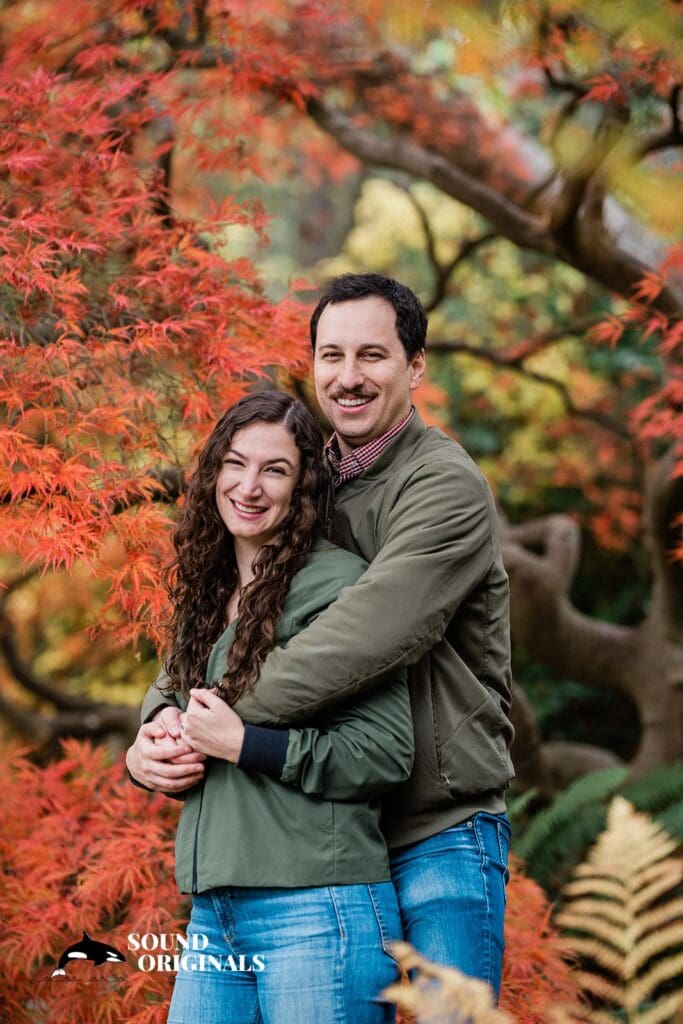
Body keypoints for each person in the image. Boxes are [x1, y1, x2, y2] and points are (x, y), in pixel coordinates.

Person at [132, 273, 514, 998]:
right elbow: (223, 614)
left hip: (438, 828)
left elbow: (367, 636)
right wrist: (160, 720)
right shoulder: (298, 483)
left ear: (416, 365)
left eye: (372, 355)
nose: (347, 376)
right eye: (330, 355)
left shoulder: (443, 486)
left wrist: (217, 722)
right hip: (326, 825)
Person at [126, 391, 414, 1024]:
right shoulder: (209, 593)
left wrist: (245, 744)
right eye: (235, 463)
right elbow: (170, 696)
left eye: (275, 470)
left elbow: (385, 754)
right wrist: (146, 749)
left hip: (319, 908)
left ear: (305, 487)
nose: (249, 486)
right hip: (214, 911)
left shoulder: (339, 588)